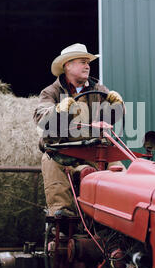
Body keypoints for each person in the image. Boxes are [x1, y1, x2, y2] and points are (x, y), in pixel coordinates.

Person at [33, 43, 125, 217]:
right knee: (49, 159)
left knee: (118, 167)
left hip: (93, 149)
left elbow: (108, 120)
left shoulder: (99, 89)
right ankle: (61, 214)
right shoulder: (50, 92)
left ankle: (122, 212)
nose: (87, 65)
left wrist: (118, 106)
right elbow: (41, 118)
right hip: (64, 150)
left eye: (88, 62)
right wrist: (58, 110)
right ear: (67, 65)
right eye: (82, 61)